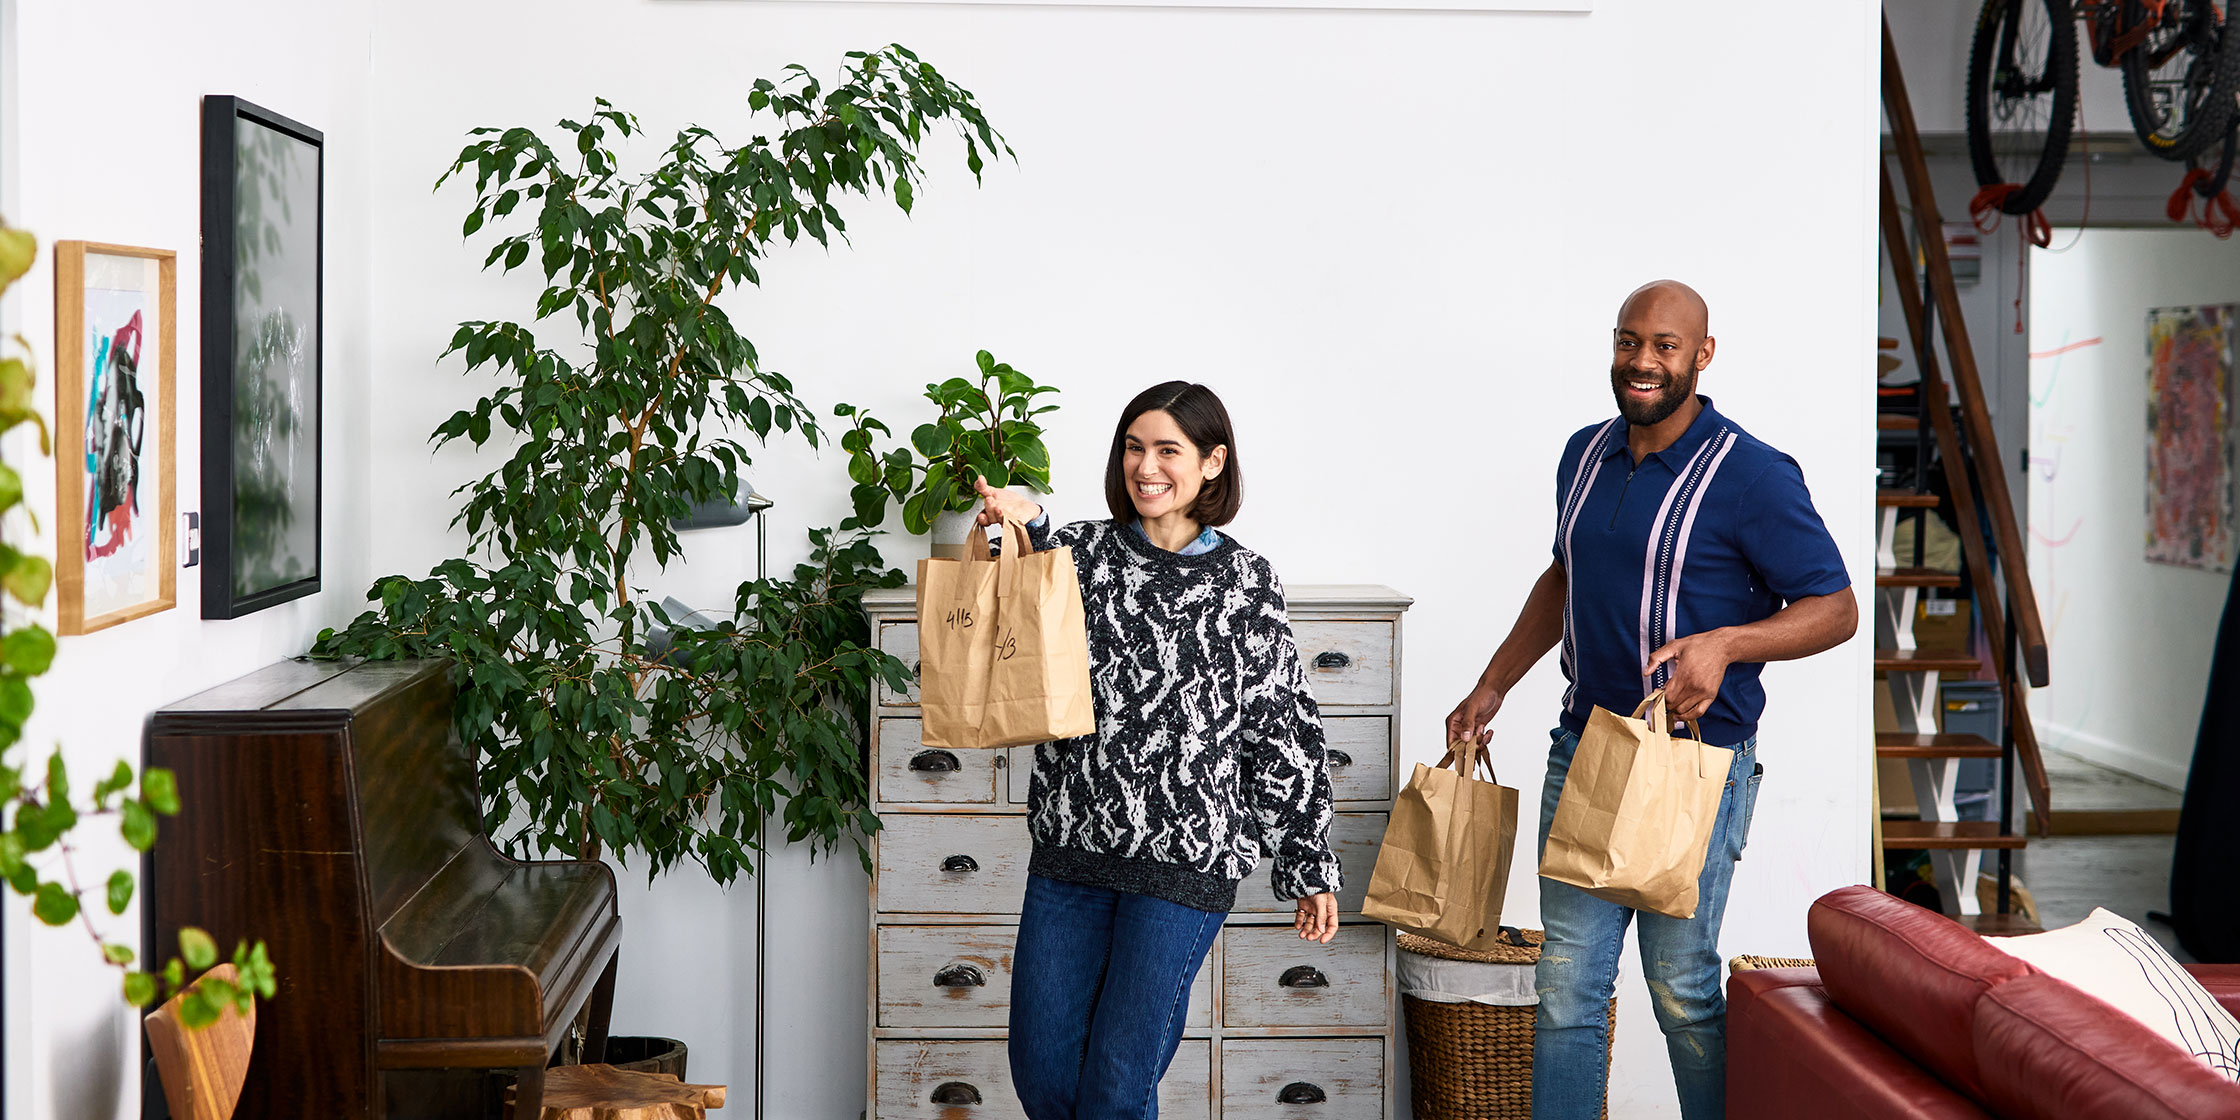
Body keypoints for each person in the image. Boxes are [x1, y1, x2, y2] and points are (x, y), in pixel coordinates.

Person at [1445, 281, 1857, 1120]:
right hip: (1586, 750)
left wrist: (1728, 642)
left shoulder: (1752, 474)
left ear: (1703, 357)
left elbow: (1837, 608)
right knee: (1566, 989)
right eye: (1629, 341)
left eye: (1665, 345)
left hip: (1695, 768)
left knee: (1681, 990)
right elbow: (1563, 574)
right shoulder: (1583, 454)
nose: (1642, 361)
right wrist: (1492, 683)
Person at [973, 381, 1341, 1120]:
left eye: (1168, 450)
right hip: (1073, 853)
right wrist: (1022, 513)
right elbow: (1032, 548)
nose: (1147, 466)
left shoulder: (1246, 580)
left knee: (1115, 1087)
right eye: (1134, 448)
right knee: (1043, 1075)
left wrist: (1306, 860)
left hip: (1186, 866)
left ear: (1212, 463)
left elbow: (1281, 724)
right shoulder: (1083, 553)